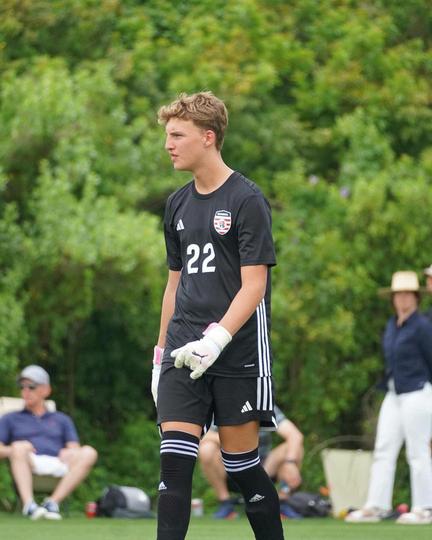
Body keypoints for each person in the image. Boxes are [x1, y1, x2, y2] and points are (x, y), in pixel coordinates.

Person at [151, 91, 284, 540]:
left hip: (237, 350)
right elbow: (174, 285)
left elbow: (254, 285)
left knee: (241, 465)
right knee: (174, 463)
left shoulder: (247, 199)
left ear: (208, 137)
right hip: (183, 348)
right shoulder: (176, 204)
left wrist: (216, 339)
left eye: (177, 135)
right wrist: (161, 355)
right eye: (168, 135)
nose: (168, 144)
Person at [346, 271, 432, 525]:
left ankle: (425, 507)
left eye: (407, 294)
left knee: (418, 452)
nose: (402, 299)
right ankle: (377, 506)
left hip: (417, 392)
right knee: (384, 449)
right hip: (394, 393)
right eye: (398, 294)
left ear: (416, 297)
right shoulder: (392, 325)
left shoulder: (423, 326)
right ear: (393, 298)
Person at [0, 365, 98, 520]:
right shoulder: (9, 418)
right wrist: (15, 448)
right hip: (28, 461)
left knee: (89, 452)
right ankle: (29, 505)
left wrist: (70, 452)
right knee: (18, 447)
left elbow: (74, 448)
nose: (26, 391)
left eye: (31, 387)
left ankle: (52, 503)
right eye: (22, 387)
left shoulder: (62, 419)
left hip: (58, 463)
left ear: (46, 390)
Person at [199, 404, 303, 519]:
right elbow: (203, 435)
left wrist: (290, 462)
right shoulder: (223, 402)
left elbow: (295, 435)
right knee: (206, 448)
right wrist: (235, 441)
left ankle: (281, 503)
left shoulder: (264, 402)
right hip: (231, 465)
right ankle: (225, 504)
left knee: (294, 448)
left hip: (263, 465)